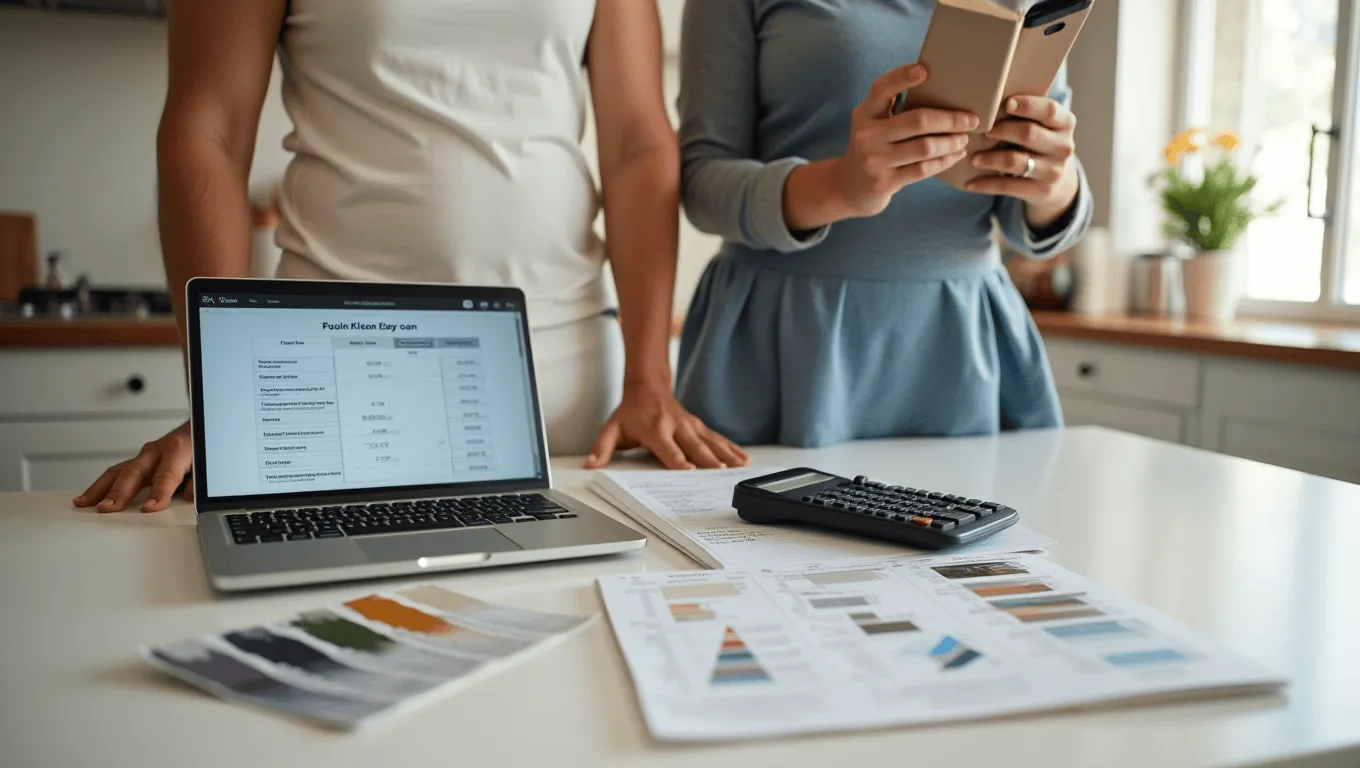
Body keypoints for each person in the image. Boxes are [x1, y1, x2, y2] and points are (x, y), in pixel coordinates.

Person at [75, 0, 746, 514]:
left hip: (561, 374)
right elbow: (207, 133)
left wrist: (650, 382)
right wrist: (224, 403)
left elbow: (638, 148)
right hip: (330, 371)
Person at [673, 0, 1093, 447]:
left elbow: (1032, 203)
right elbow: (701, 184)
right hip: (784, 340)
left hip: (960, 346)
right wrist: (839, 186)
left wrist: (1056, 179)